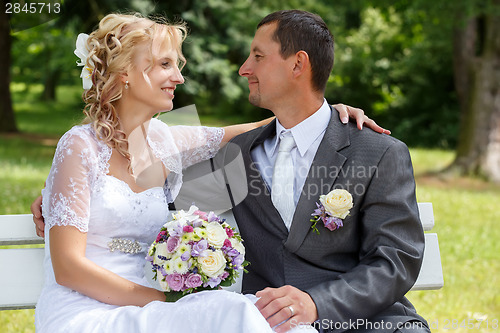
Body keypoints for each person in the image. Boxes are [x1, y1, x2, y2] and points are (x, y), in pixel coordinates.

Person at [30, 12, 382, 333]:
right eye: (166, 64)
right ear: (125, 72)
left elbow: (260, 126)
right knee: (232, 313)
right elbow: (68, 268)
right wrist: (168, 302)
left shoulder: (163, 138)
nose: (179, 78)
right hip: (88, 312)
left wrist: (326, 113)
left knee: (268, 321)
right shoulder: (79, 146)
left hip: (154, 308)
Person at [208, 10, 430, 333]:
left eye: (257, 56)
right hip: (266, 323)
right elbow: (166, 204)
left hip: (364, 322)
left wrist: (317, 304)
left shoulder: (377, 153)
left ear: (298, 64)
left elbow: (396, 260)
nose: (244, 69)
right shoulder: (237, 155)